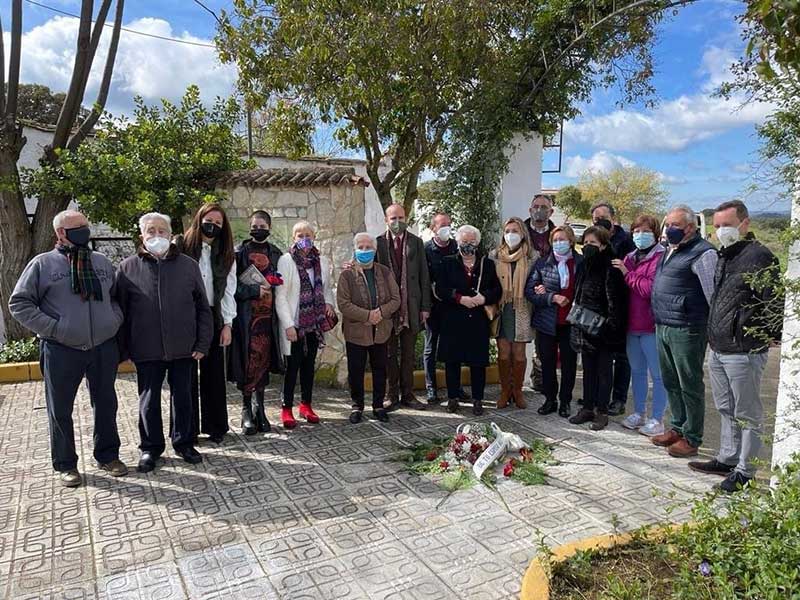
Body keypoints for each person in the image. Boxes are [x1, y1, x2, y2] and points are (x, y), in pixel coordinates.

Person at [9, 210, 127, 487]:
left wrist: (114, 320)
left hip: (102, 346)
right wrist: (55, 328)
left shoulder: (100, 261)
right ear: (61, 232)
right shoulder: (42, 264)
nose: (85, 232)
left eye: (86, 226)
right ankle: (66, 464)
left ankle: (108, 455)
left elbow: (115, 298)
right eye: (78, 228)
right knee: (60, 408)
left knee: (106, 403)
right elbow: (19, 304)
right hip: (61, 349)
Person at [688, 200, 781, 493]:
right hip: (718, 346)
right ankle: (727, 458)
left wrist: (767, 333)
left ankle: (746, 470)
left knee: (748, 413)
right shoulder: (725, 255)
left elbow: (773, 300)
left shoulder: (759, 256)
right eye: (716, 226)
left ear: (745, 223)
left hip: (744, 349)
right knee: (726, 407)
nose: (720, 231)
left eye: (726, 225)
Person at [115, 213, 212, 472]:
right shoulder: (127, 268)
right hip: (146, 349)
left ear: (171, 235)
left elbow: (203, 307)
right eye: (151, 231)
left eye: (162, 231)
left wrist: (202, 344)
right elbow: (120, 314)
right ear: (142, 236)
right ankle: (150, 448)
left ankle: (183, 442)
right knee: (148, 401)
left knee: (183, 398)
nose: (157, 236)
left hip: (184, 347)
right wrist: (124, 350)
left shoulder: (188, 266)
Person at [650, 205, 717, 458]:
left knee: (689, 383)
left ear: (691, 227)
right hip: (664, 324)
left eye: (675, 225)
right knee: (671, 381)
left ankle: (692, 437)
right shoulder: (669, 250)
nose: (669, 229)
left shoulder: (703, 253)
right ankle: (677, 427)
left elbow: (712, 295)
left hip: (687, 328)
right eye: (668, 225)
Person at [174, 203, 237, 444]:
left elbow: (229, 290)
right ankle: (186, 430)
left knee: (213, 374)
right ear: (199, 219)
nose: (212, 226)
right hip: (186, 316)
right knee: (185, 374)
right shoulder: (181, 246)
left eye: (218, 224)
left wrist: (228, 324)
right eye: (209, 220)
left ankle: (215, 426)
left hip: (213, 315)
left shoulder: (226, 254)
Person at [435, 225, 502, 415]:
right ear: (457, 242)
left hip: (477, 321)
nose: (468, 246)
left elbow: (496, 290)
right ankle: (453, 398)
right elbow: (440, 289)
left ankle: (478, 399)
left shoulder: (487, 264)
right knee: (452, 361)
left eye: (471, 242)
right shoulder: (447, 263)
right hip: (453, 319)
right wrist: (460, 298)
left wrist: (484, 298)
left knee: (477, 363)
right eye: (464, 242)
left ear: (477, 243)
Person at [227, 210, 284, 435]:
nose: (258, 229)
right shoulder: (239, 253)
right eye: (254, 225)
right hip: (245, 319)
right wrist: (254, 289)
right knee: (247, 363)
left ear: (269, 228)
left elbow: (284, 284)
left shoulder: (277, 254)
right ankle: (246, 410)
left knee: (264, 362)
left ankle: (260, 408)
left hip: (268, 320)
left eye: (262, 225)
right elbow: (231, 287)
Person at [275, 221, 336, 428]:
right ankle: (286, 408)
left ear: (314, 237)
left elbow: (326, 288)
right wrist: (288, 325)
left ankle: (306, 405)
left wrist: (328, 303)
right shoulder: (286, 261)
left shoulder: (321, 262)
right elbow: (280, 296)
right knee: (292, 367)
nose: (304, 239)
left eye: (308, 234)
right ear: (294, 238)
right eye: (300, 235)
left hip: (314, 325)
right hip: (295, 325)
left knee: (309, 367)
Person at [611, 214, 667, 437]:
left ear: (654, 233)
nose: (640, 236)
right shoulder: (630, 257)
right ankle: (639, 412)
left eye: (645, 231)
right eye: (636, 231)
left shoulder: (661, 257)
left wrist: (627, 274)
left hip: (651, 324)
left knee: (658, 374)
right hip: (631, 324)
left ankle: (657, 418)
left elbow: (649, 289)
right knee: (637, 372)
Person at [568, 226, 628, 431]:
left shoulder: (611, 267)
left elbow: (616, 302)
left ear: (603, 244)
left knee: (604, 372)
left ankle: (602, 411)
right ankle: (587, 407)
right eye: (585, 243)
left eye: (592, 243)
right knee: (588, 371)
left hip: (603, 330)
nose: (587, 247)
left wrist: (610, 329)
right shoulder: (584, 265)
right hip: (584, 327)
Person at [337, 233, 401, 424]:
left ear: (374, 250)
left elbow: (395, 299)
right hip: (356, 331)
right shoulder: (347, 275)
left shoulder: (385, 272)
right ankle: (357, 406)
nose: (365, 251)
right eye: (361, 247)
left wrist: (380, 312)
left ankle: (378, 405)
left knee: (380, 369)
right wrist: (367, 315)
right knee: (356, 370)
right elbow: (343, 303)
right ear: (355, 249)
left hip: (381, 330)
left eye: (368, 247)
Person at [375, 204, 431, 411]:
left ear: (406, 218)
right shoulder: (378, 243)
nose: (397, 222)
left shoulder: (416, 243)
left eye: (400, 217)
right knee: (389, 353)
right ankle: (391, 395)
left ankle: (408, 394)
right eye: (393, 218)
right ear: (386, 220)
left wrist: (425, 306)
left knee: (408, 354)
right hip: (388, 307)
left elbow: (424, 275)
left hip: (411, 306)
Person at [525, 225, 583, 418]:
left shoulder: (581, 263)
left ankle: (565, 400)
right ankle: (550, 399)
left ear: (571, 241)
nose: (559, 243)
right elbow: (531, 291)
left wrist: (574, 299)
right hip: (547, 322)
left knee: (569, 364)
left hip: (571, 322)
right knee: (547, 363)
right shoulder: (542, 264)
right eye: (555, 240)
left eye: (563, 239)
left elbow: (588, 289)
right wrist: (551, 297)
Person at [591, 202, 634, 416]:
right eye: (595, 219)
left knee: (621, 357)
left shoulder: (625, 241)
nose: (599, 221)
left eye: (603, 217)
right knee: (602, 357)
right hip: (598, 310)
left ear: (613, 218)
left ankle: (618, 399)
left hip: (620, 306)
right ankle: (600, 397)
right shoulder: (593, 240)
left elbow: (626, 269)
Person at [492, 217, 538, 409]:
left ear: (523, 234)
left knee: (519, 353)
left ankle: (517, 390)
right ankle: (504, 390)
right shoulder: (494, 256)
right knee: (503, 352)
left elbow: (537, 282)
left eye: (515, 231)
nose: (511, 235)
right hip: (502, 309)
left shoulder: (532, 257)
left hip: (522, 308)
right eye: (508, 230)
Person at [423, 211, 467, 404]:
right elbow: (423, 280)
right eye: (441, 225)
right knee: (430, 348)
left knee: (455, 347)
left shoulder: (457, 248)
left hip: (453, 306)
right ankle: (431, 388)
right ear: (433, 228)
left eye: (448, 224)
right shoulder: (425, 249)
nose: (446, 229)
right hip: (433, 307)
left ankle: (456, 387)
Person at [523, 194, 555, 393]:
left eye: (544, 207)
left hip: (546, 293)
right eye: (536, 206)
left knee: (543, 341)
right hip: (523, 292)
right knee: (520, 338)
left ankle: (541, 378)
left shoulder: (557, 234)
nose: (539, 210)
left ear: (551, 212)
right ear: (530, 210)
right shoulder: (521, 231)